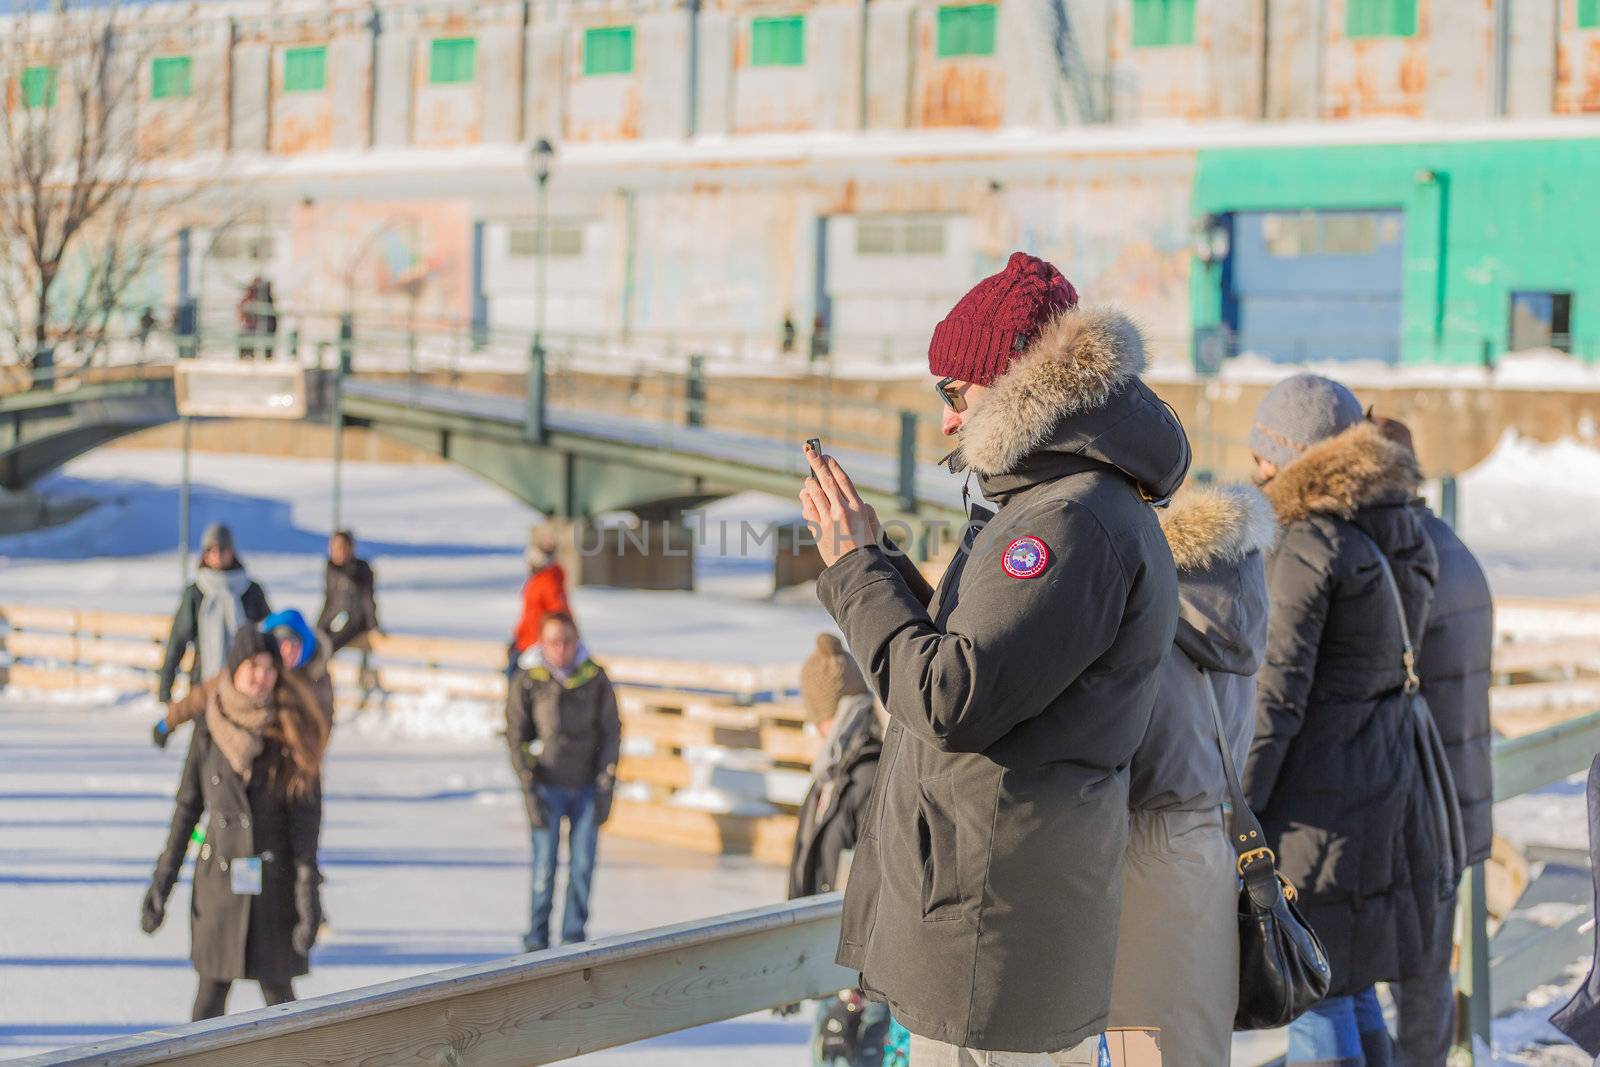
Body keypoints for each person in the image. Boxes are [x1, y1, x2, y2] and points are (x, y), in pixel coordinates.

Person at [800, 251, 1190, 1063]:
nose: (946, 418)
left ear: (1015, 384)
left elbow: (952, 696)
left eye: (955, 391)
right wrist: (877, 562)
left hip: (995, 933)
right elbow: (974, 654)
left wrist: (856, 573)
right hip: (989, 918)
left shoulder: (1069, 521)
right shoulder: (1046, 505)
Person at [1243, 375, 1448, 1067]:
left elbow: (1275, 693)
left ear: (1291, 456)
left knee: (1313, 995)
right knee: (1345, 979)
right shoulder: (1392, 526)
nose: (1256, 472)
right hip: (1375, 784)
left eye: (1263, 457)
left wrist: (1236, 806)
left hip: (1316, 802)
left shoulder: (1305, 542)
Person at [1108, 484, 1277, 1067]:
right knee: (1192, 1044)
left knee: (1134, 1046)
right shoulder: (1241, 599)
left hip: (1140, 853)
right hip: (1208, 849)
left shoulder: (1146, 613)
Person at [1373, 416, 1495, 1066]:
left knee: (1407, 988)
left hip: (1421, 807)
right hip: (1460, 793)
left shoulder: (1403, 558)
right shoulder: (1454, 547)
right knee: (1426, 981)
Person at [140, 627, 328, 1020]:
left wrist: (308, 897)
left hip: (273, 888)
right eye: (252, 666)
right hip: (219, 886)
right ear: (234, 667)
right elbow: (187, 810)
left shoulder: (291, 730)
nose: (261, 676)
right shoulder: (209, 727)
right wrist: (162, 883)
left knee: (283, 1007)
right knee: (208, 1002)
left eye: (269, 667)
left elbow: (305, 830)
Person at [787, 633, 889, 1067]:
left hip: (858, 979)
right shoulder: (829, 775)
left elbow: (878, 882)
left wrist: (855, 990)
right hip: (828, 961)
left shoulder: (867, 776)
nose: (813, 728)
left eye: (818, 717)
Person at [505, 612, 620, 953]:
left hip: (585, 787)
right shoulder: (529, 680)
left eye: (568, 641)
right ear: (543, 643)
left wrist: (605, 782)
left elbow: (611, 732)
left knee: (582, 867)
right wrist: (528, 785)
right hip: (546, 785)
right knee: (545, 867)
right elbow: (515, 735)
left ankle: (573, 936)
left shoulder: (595, 677)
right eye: (554, 641)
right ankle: (537, 939)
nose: (562, 648)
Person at [155, 522, 271, 746]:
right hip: (204, 682)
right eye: (211, 550)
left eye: (222, 549)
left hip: (244, 686)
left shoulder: (251, 591)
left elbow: (267, 637)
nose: (217, 555)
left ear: (232, 551)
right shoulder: (196, 593)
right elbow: (178, 640)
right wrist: (165, 687)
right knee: (204, 747)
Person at [160, 610, 336, 741]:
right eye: (282, 643)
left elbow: (323, 721)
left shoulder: (314, 676)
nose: (287, 650)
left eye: (294, 644)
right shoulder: (255, 670)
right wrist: (169, 721)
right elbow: (205, 693)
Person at [509, 525, 571, 676]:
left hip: (535, 645)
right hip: (525, 640)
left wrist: (549, 642)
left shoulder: (547, 582)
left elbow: (559, 615)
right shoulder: (538, 580)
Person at [317, 530, 380, 654]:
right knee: (316, 641)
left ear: (351, 548)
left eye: (341, 547)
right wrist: (319, 627)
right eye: (333, 547)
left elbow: (367, 599)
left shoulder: (361, 569)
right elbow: (329, 601)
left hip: (354, 621)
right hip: (334, 618)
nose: (336, 551)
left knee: (327, 646)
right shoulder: (331, 569)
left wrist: (373, 625)